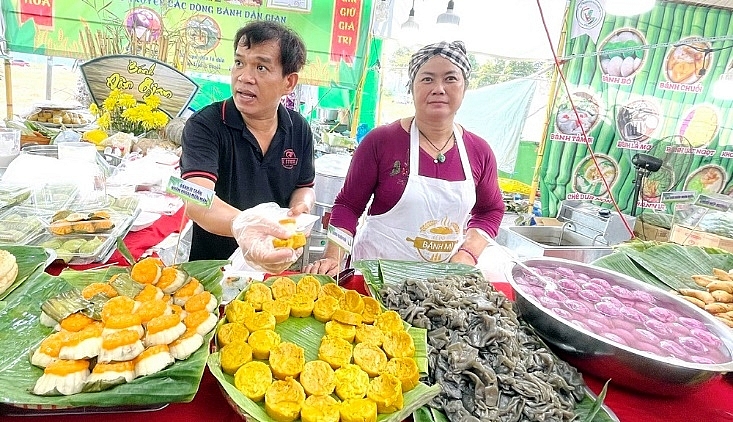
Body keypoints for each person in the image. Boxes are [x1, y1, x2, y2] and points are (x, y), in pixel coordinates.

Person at [305, 40, 505, 276]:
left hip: (440, 286)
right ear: (412, 87)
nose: (439, 88)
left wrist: (468, 253)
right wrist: (333, 256)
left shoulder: (479, 151)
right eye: (427, 78)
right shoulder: (381, 141)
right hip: (375, 275)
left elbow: (491, 210)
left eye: (450, 78)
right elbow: (348, 205)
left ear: (464, 87)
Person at [180, 20, 316, 264]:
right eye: (239, 62)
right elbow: (197, 200)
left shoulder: (299, 129)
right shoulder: (206, 125)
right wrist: (245, 226)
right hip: (212, 271)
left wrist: (301, 208)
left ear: (289, 82)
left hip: (272, 263)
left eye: (261, 68)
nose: (244, 77)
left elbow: (304, 186)